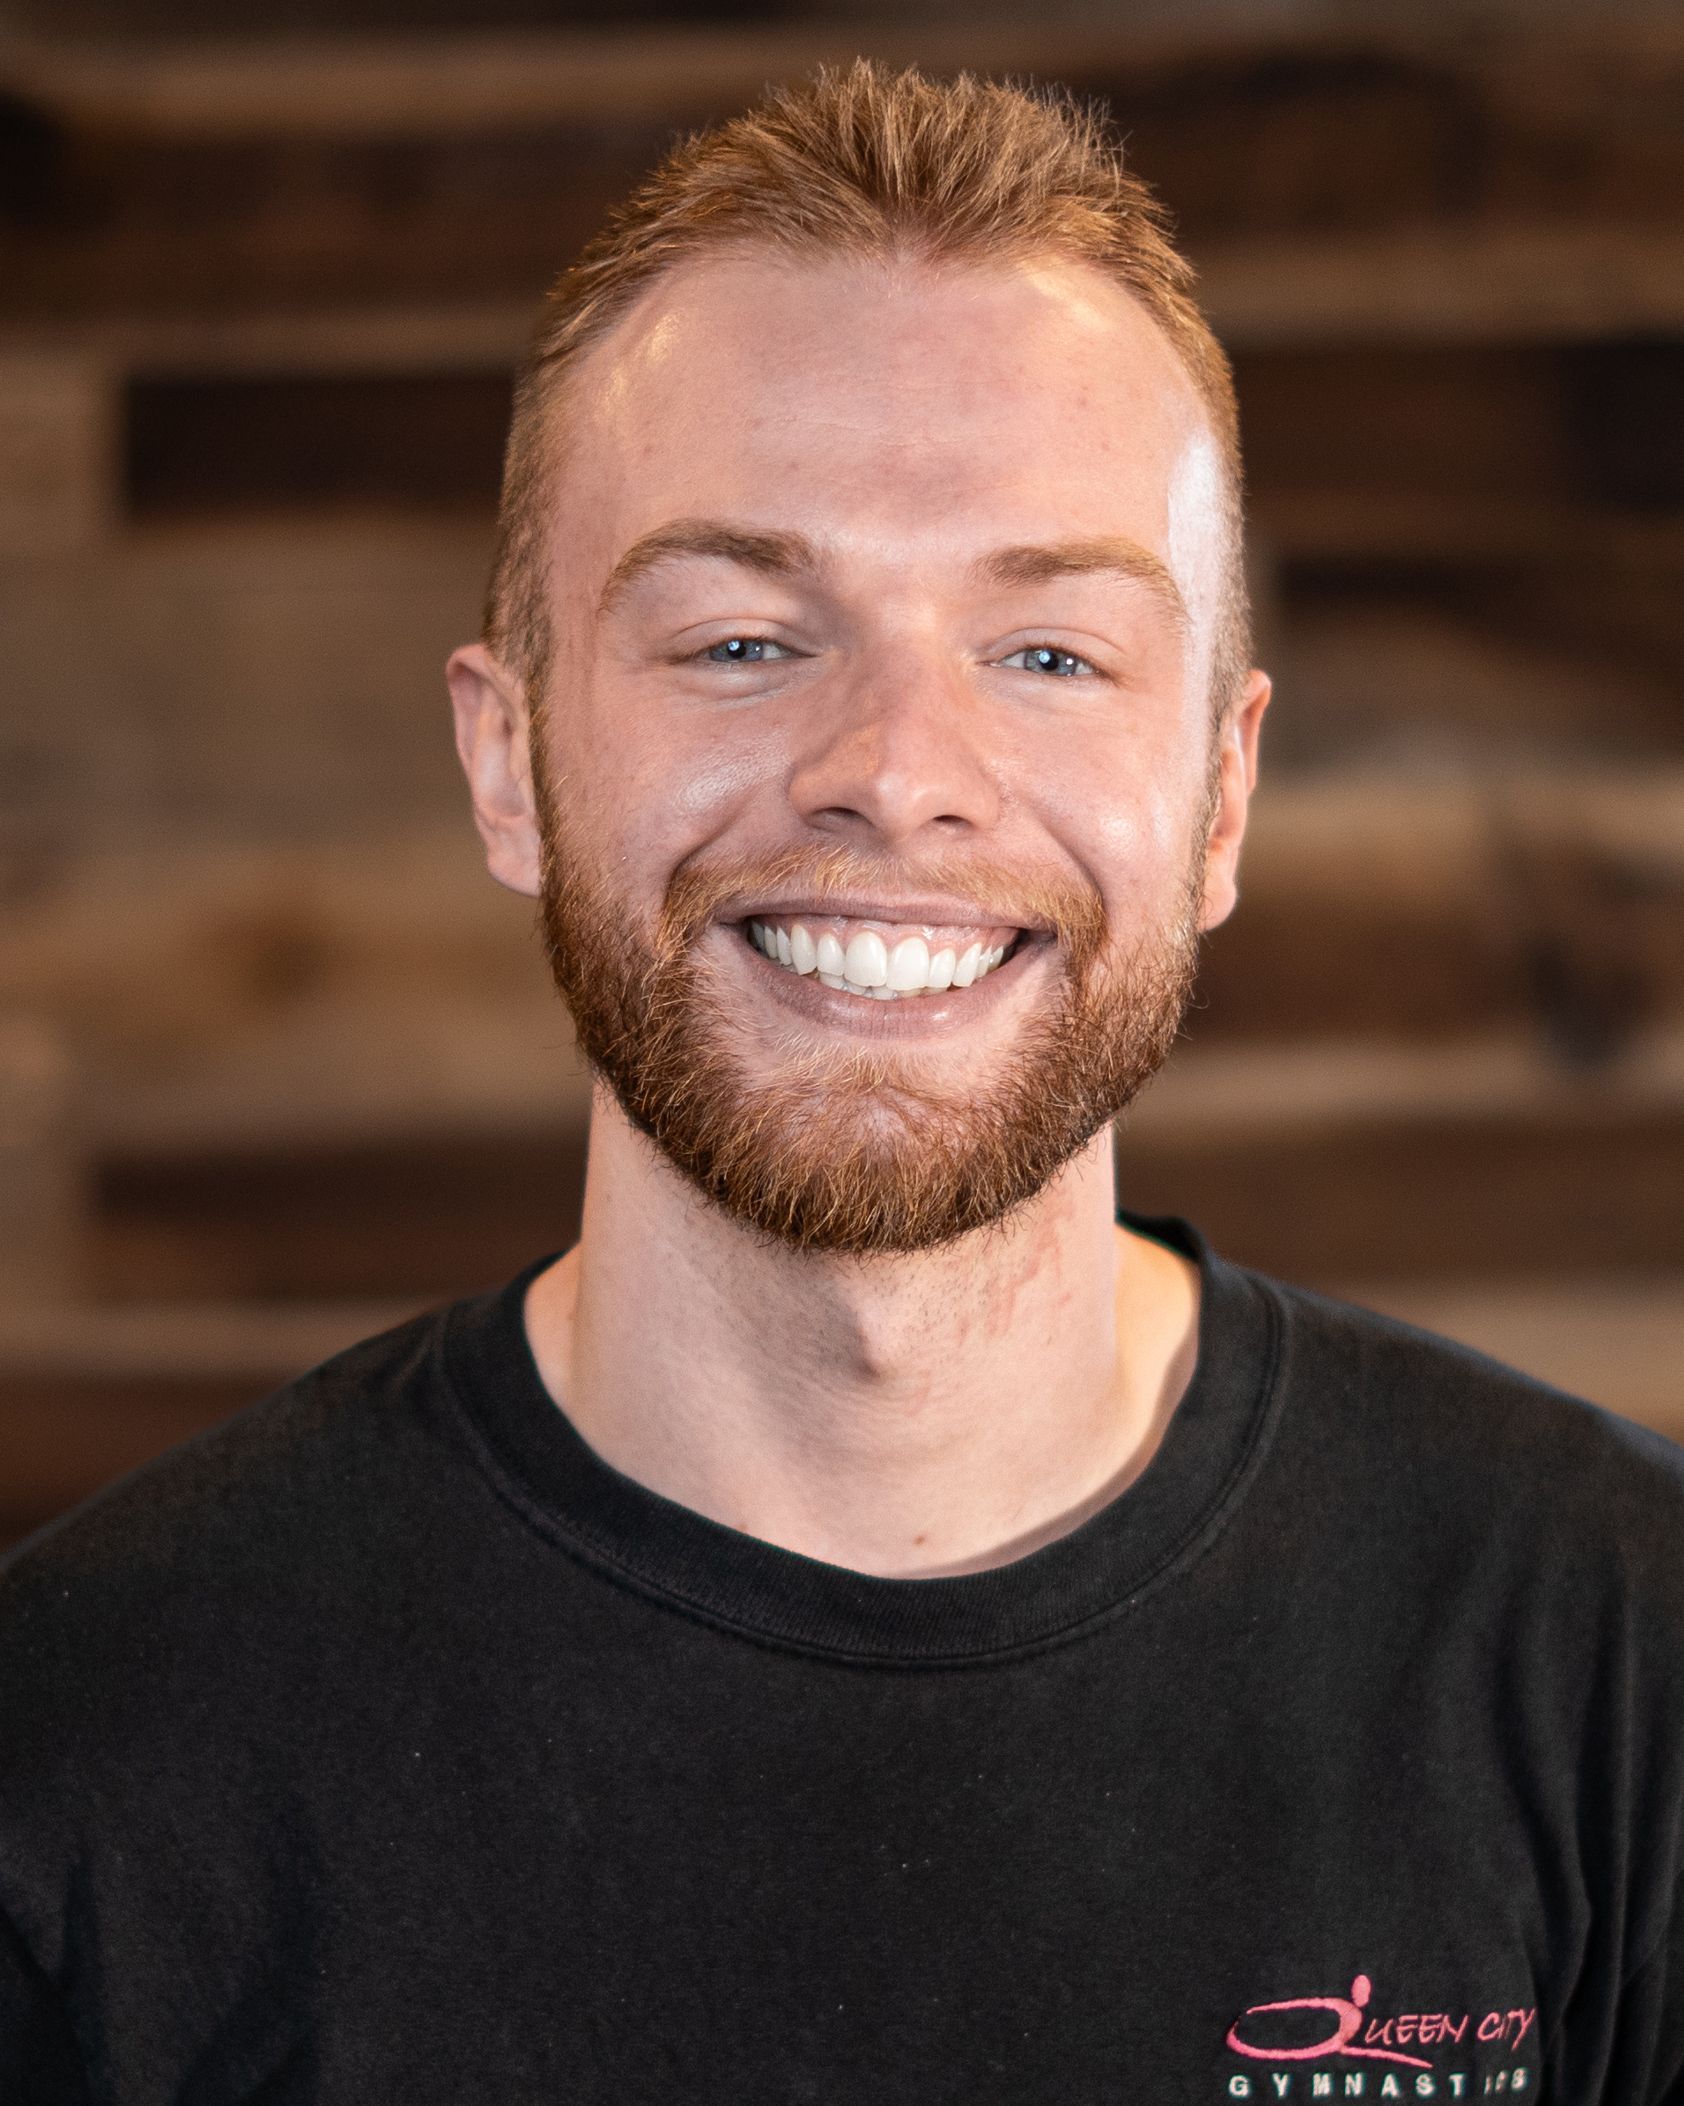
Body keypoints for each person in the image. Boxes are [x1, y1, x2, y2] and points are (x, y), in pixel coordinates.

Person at [1, 61, 1679, 2103]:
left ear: (1219, 794)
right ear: (507, 756)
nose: (894, 767)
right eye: (736, 640)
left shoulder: (1619, 1665)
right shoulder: (81, 1751)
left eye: (1048, 653)